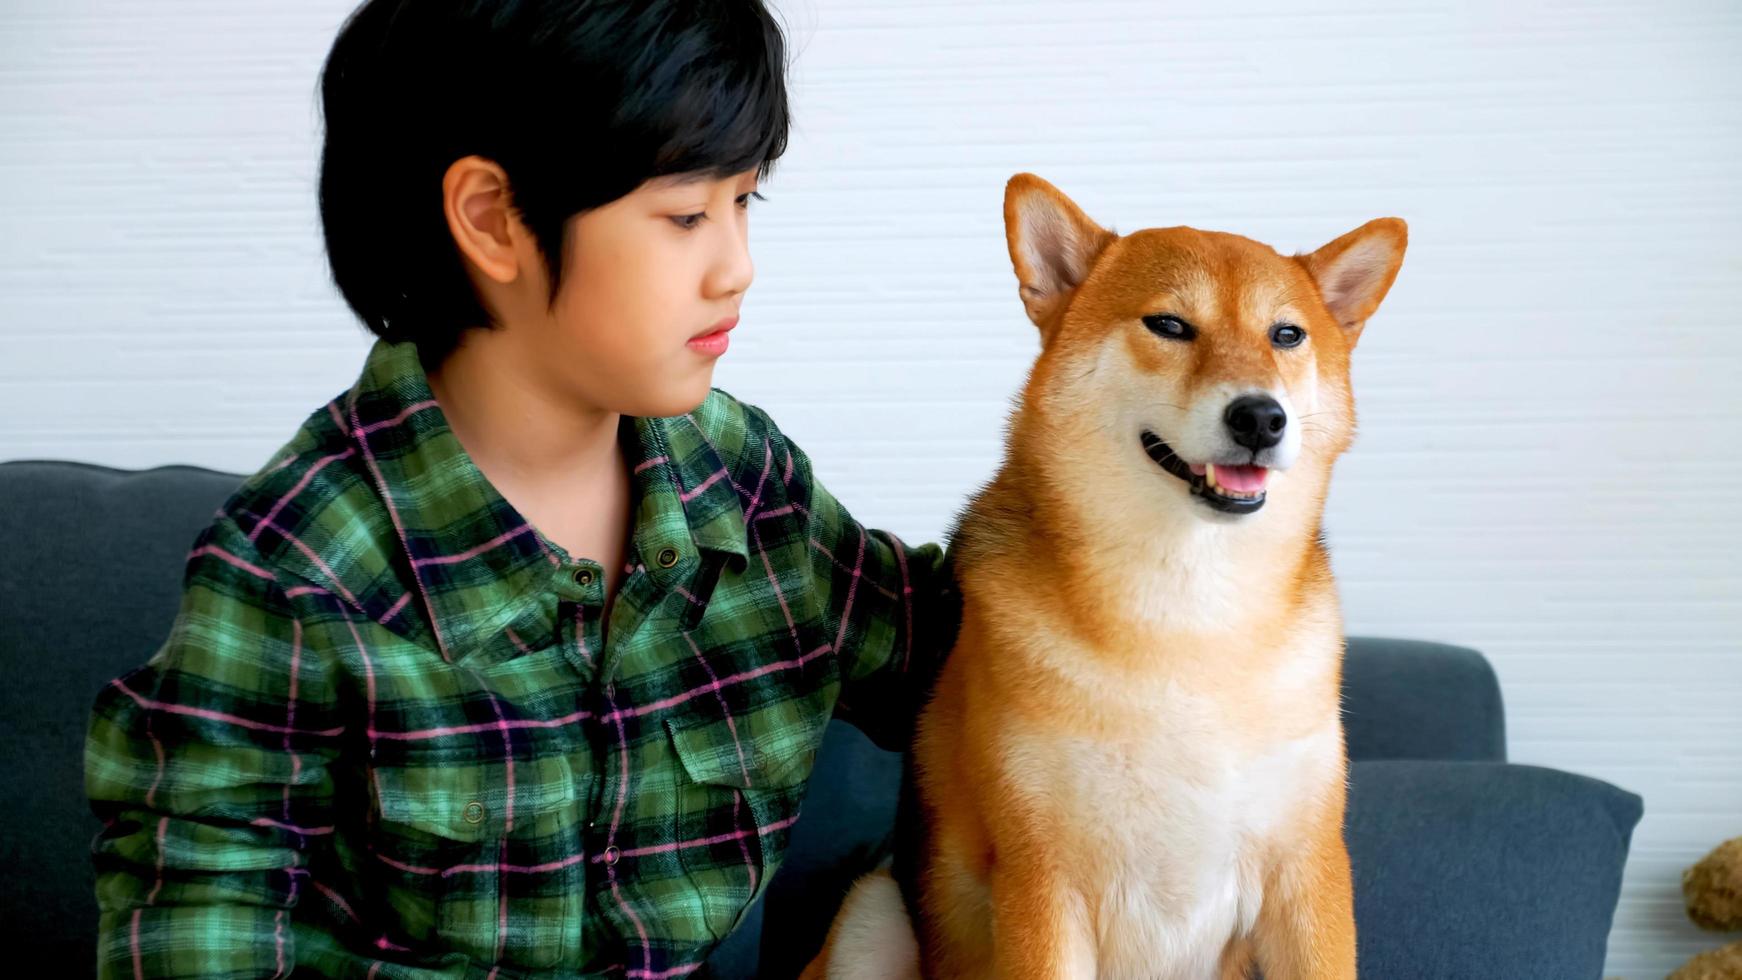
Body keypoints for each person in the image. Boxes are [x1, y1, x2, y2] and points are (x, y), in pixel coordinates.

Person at [83, 2, 960, 976]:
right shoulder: (291, 575)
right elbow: (197, 937)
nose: (736, 268)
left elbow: (972, 644)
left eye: (744, 202)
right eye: (683, 216)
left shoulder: (742, 483)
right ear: (492, 220)